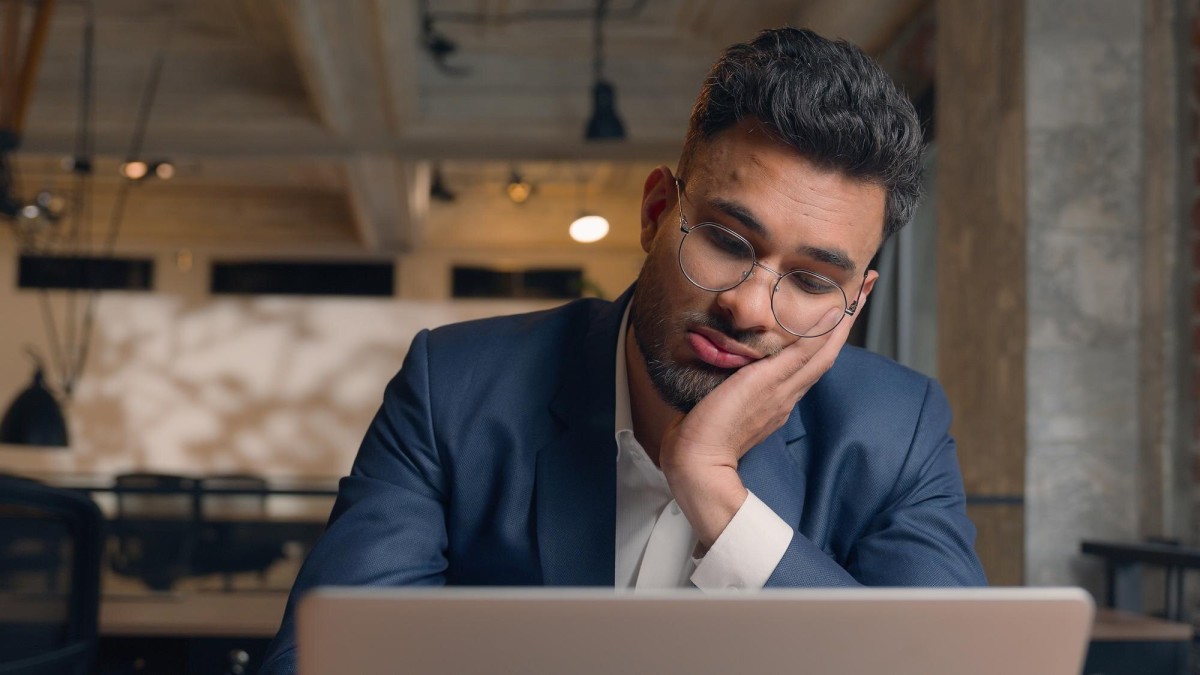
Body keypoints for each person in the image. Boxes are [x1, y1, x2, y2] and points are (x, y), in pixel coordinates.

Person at [260, 26, 985, 673]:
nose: (748, 306)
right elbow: (319, 657)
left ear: (855, 302)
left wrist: (716, 492)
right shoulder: (453, 387)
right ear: (655, 213)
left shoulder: (896, 429)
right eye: (726, 240)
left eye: (812, 280)